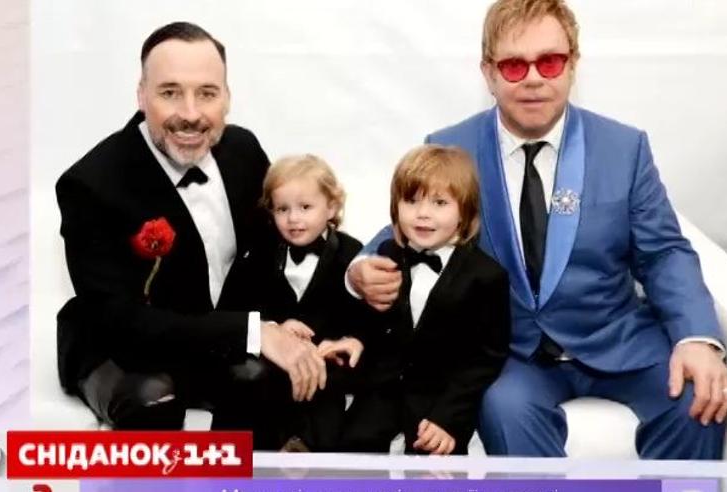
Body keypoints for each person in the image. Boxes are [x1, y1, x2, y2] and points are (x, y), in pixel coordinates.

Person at [348, 0, 727, 459]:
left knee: (698, 398)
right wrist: (360, 269)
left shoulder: (624, 148)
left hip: (617, 338)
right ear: (488, 73)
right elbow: (407, 229)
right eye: (514, 65)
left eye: (549, 62)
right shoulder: (451, 147)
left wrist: (696, 338)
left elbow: (664, 252)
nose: (533, 79)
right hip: (514, 356)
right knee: (504, 409)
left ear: (572, 64)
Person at [54, 22, 326, 448]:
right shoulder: (90, 185)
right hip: (125, 345)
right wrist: (254, 333)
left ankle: (237, 474)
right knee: (151, 399)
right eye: (170, 92)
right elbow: (121, 321)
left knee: (267, 383)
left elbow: (283, 239)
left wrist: (356, 272)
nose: (191, 113)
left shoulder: (243, 151)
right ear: (141, 95)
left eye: (207, 93)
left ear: (227, 97)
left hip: (216, 334)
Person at [339, 144, 510, 455]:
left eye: (439, 202)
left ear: (465, 212)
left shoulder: (486, 276)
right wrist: (355, 339)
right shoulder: (386, 255)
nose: (423, 213)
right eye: (411, 200)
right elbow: (375, 321)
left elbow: (483, 360)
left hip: (439, 405)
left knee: (435, 466)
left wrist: (449, 418)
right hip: (380, 395)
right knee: (348, 451)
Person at [256, 154, 374, 451]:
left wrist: (348, 340)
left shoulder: (353, 254)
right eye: (283, 209)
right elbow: (243, 303)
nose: (293, 218)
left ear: (331, 207)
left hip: (330, 364)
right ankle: (267, 457)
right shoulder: (261, 252)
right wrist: (276, 326)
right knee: (261, 383)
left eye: (305, 207)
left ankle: (311, 454)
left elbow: (368, 315)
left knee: (327, 391)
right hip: (276, 365)